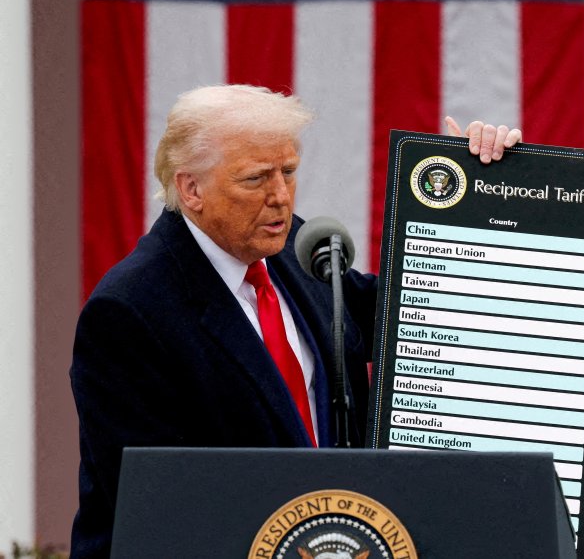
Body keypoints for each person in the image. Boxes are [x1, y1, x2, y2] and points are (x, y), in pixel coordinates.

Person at [69, 84, 521, 557]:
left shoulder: (296, 249)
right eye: (256, 179)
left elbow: (417, 317)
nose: (281, 197)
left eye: (288, 172)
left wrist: (484, 195)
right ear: (191, 188)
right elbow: (158, 503)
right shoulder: (128, 311)